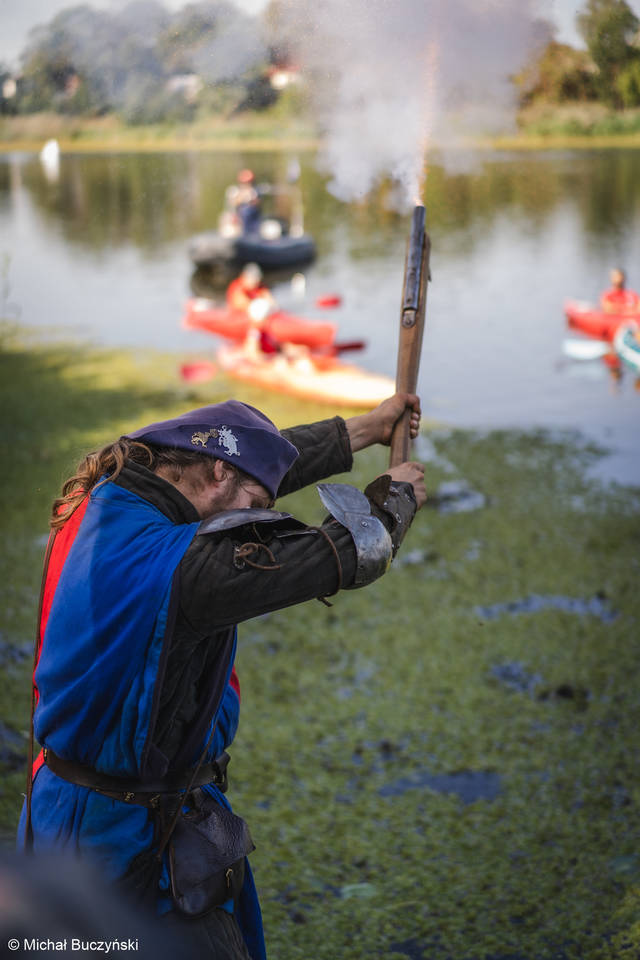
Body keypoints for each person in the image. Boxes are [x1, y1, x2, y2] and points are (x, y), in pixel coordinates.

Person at [20, 395, 425, 960]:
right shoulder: (187, 569)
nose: (251, 519)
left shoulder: (113, 489)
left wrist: (363, 431)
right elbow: (355, 553)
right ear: (217, 471)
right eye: (255, 504)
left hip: (71, 808)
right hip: (121, 844)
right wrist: (397, 500)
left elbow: (255, 468)